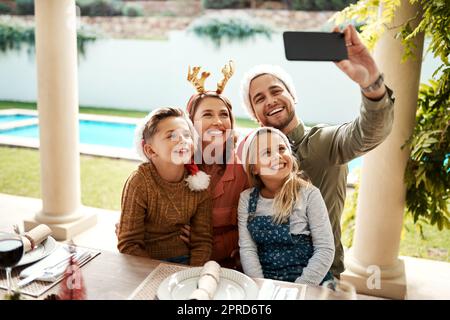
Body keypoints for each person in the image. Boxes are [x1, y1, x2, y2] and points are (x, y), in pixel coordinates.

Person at [239, 25, 395, 277]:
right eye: (259, 98)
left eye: (276, 91)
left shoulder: (326, 141)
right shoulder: (253, 156)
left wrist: (371, 83)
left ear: (293, 96)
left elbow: (369, 132)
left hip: (321, 277)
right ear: (256, 116)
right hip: (265, 278)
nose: (270, 100)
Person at [117, 107, 212, 266]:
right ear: (150, 150)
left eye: (187, 135)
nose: (182, 139)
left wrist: (192, 273)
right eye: (171, 135)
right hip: (145, 263)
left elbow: (202, 242)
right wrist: (155, 273)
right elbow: (129, 243)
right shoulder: (139, 183)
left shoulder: (199, 185)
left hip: (185, 262)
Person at [238, 127, 334, 285]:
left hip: (309, 281)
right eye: (267, 153)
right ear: (254, 168)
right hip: (265, 282)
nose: (278, 156)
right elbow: (248, 249)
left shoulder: (309, 194)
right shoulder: (246, 199)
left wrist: (298, 289)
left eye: (282, 148)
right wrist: (261, 286)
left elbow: (325, 249)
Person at [184, 61, 249, 269]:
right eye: (207, 114)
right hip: (177, 263)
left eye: (224, 114)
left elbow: (251, 227)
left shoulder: (245, 171)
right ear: (190, 123)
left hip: (226, 268)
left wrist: (207, 247)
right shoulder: (176, 166)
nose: (218, 122)